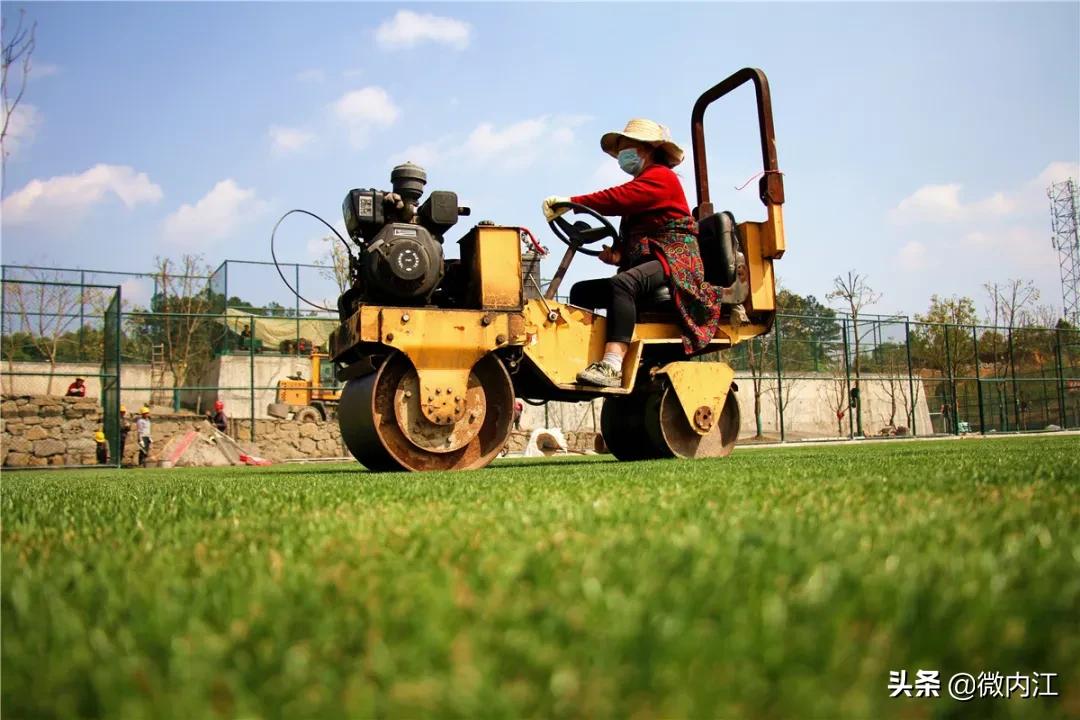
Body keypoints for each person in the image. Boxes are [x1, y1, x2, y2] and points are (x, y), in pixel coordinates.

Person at [542, 119, 721, 387]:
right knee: (581, 292)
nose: (622, 155)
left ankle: (613, 364)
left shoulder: (661, 177)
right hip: (652, 262)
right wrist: (618, 256)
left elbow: (618, 198)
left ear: (645, 148)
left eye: (626, 147)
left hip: (675, 260)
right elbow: (633, 237)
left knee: (622, 283)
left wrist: (573, 202)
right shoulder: (642, 186)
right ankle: (579, 355)